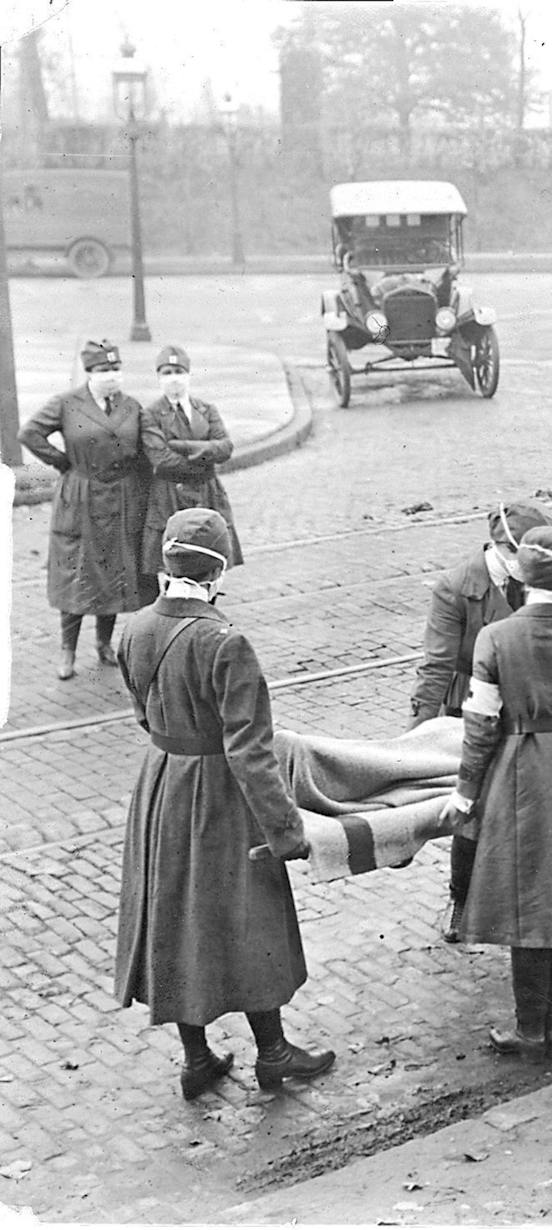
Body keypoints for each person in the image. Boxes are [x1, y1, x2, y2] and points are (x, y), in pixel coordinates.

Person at [114, 508, 334, 1099]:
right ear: (216, 572)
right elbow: (252, 751)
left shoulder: (132, 627)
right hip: (219, 796)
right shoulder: (224, 641)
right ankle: (274, 1053)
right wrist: (286, 831)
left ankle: (197, 1059)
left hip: (161, 786)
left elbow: (141, 714)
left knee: (175, 917)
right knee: (247, 915)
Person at [438, 524, 552, 1065]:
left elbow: (481, 725)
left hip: (523, 775)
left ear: (523, 574)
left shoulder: (496, 638)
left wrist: (467, 789)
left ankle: (529, 1031)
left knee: (532, 903)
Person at [409, 499, 552, 942]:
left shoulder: (536, 578)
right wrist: (417, 734)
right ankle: (461, 899)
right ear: (502, 549)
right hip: (472, 706)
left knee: (532, 798)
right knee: (471, 807)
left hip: (528, 705)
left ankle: (523, 895)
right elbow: (436, 665)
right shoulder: (457, 587)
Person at [19, 338, 152, 680]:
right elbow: (30, 433)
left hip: (121, 500)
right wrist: (63, 463)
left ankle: (104, 643)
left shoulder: (132, 406)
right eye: (103, 370)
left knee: (112, 573)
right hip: (80, 498)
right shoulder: (66, 403)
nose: (111, 375)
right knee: (76, 575)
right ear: (89, 372)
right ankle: (68, 651)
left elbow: (145, 449)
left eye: (115, 369)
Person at [138, 344, 243, 582]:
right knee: (171, 566)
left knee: (211, 556)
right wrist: (206, 455)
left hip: (207, 492)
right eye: (167, 373)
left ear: (189, 375)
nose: (174, 379)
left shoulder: (206, 410)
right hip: (170, 495)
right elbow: (161, 459)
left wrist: (182, 447)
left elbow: (225, 447)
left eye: (179, 372)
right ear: (158, 378)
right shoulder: (151, 414)